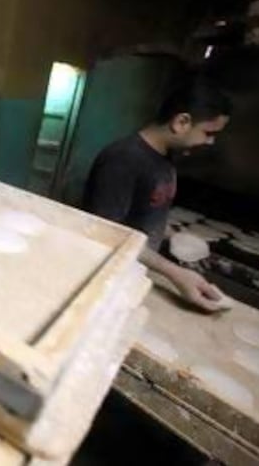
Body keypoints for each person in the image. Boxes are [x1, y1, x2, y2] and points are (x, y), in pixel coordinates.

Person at [83, 80, 232, 312]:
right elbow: (109, 234)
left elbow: (146, 210)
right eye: (208, 132)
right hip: (110, 278)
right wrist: (175, 274)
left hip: (137, 270)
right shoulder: (123, 159)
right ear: (181, 122)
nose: (211, 141)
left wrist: (173, 235)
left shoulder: (165, 157)